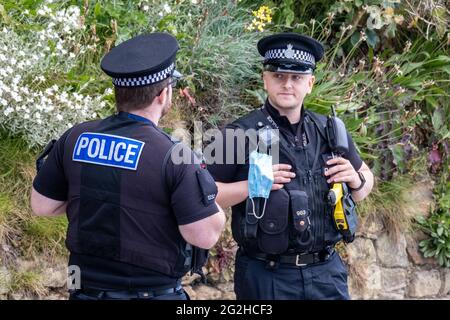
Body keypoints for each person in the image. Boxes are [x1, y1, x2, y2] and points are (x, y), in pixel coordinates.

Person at [30, 33, 226, 300]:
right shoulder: (174, 155)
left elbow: (43, 206)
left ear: (119, 91)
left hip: (86, 290)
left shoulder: (75, 137)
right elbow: (204, 235)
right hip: (151, 293)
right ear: (163, 94)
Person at [206, 32, 374, 300]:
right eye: (279, 76)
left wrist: (356, 179)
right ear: (265, 79)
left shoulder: (329, 130)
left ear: (310, 83)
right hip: (266, 276)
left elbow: (366, 180)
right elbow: (204, 193)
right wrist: (251, 185)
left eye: (296, 78)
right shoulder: (237, 134)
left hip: (327, 274)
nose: (287, 85)